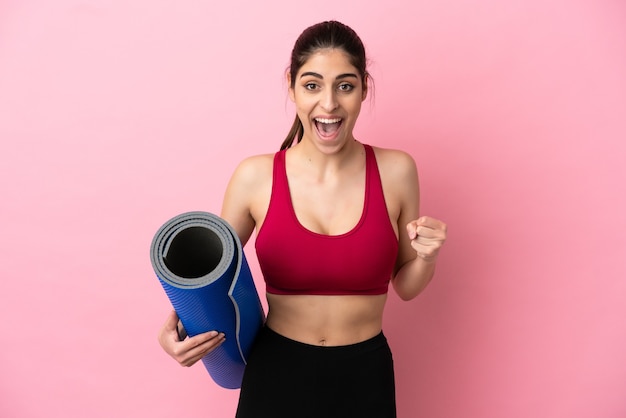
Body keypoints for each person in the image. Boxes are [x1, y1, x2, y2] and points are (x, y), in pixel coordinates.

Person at [158, 20, 447, 418]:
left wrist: (427, 257)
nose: (328, 104)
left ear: (364, 88)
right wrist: (175, 328)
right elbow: (211, 275)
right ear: (292, 86)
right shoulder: (254, 176)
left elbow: (406, 286)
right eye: (312, 85)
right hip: (276, 373)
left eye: (345, 85)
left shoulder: (397, 170)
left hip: (365, 376)